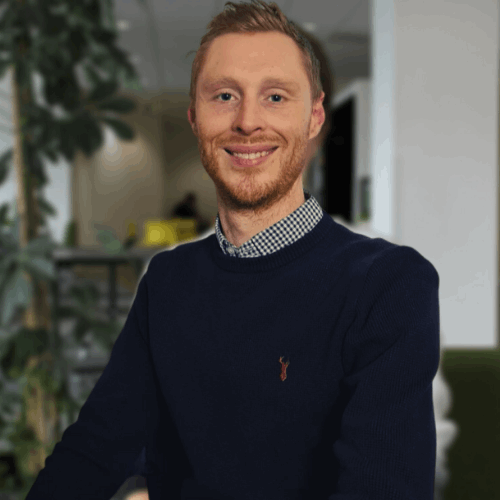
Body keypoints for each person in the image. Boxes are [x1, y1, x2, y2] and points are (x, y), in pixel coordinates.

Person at [25, 1, 440, 499]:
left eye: (275, 96)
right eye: (224, 96)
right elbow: (95, 448)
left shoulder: (388, 286)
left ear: (313, 117)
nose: (247, 121)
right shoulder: (167, 281)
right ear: (194, 118)